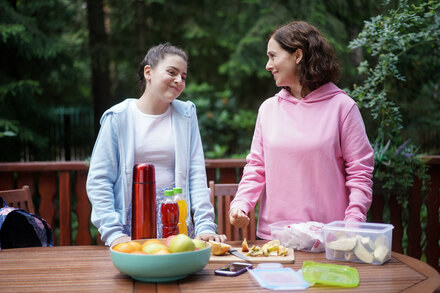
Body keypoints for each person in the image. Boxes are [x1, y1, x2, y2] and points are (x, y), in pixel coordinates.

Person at [229, 21, 374, 240]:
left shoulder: (343, 107)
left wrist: (353, 223)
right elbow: (257, 166)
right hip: (275, 237)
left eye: (273, 56)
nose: (268, 65)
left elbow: (360, 173)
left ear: (297, 55)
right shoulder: (268, 109)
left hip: (330, 237)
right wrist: (240, 204)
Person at [87, 43, 226, 246]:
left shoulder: (186, 115)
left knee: (179, 276)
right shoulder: (118, 117)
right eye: (172, 72)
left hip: (175, 220)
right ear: (148, 72)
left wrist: (205, 225)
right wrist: (113, 233)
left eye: (184, 77)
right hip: (129, 223)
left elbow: (196, 173)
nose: (179, 80)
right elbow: (99, 180)